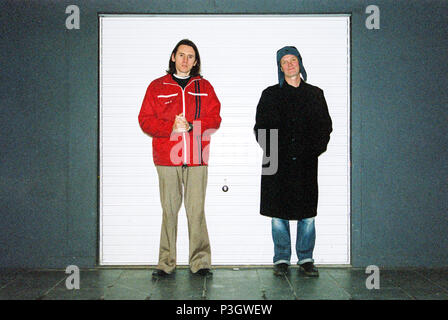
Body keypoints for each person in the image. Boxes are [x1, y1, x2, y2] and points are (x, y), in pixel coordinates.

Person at [138, 39, 221, 278]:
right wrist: (170, 127)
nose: (185, 60)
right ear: (173, 57)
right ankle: (166, 263)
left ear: (196, 61)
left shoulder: (204, 86)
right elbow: (145, 120)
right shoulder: (157, 86)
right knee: (169, 210)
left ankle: (201, 262)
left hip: (196, 156)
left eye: (190, 56)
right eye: (181, 55)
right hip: (167, 157)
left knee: (196, 210)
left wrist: (195, 126)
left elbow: (215, 119)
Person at [254, 46, 332, 277]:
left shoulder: (315, 94)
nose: (289, 64)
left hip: (306, 161)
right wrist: (275, 151)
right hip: (275, 161)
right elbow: (260, 128)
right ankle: (281, 259)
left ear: (300, 62)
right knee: (278, 213)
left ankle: (306, 259)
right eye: (284, 61)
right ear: (279, 67)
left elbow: (325, 128)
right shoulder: (270, 95)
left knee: (306, 213)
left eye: (293, 60)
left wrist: (311, 151)